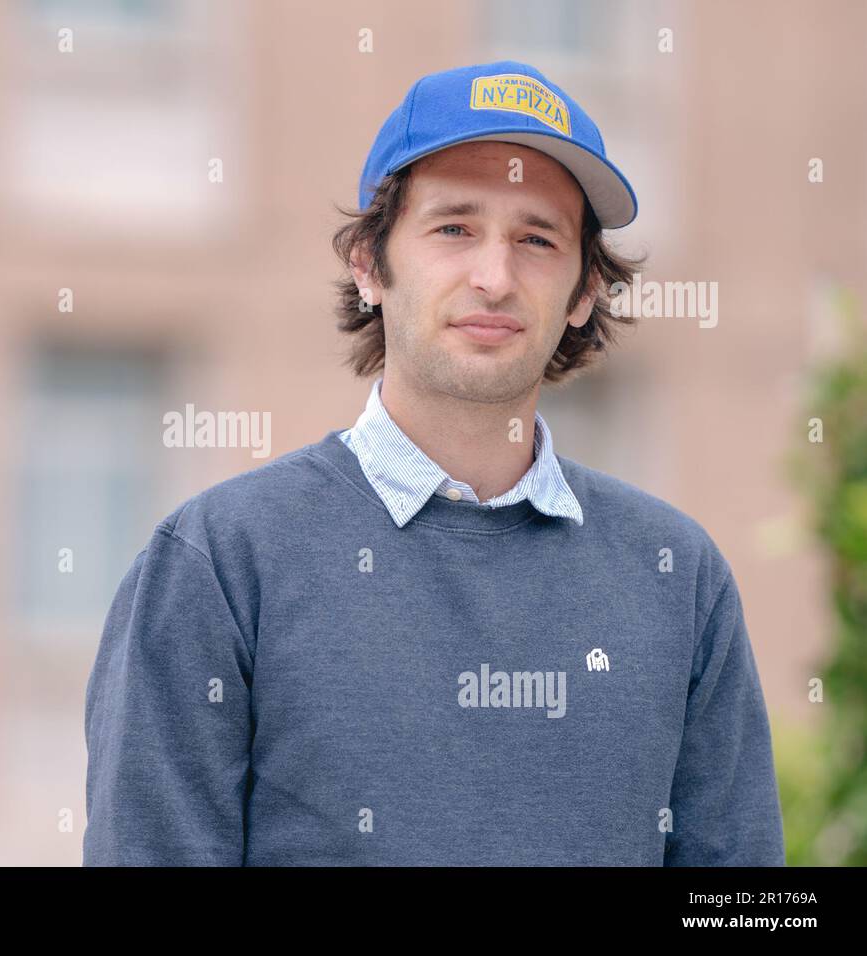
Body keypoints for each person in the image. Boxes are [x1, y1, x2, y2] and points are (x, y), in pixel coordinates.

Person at [82, 60, 785, 866]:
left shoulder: (677, 575)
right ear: (370, 266)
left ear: (584, 291)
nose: (494, 277)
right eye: (453, 228)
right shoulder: (218, 562)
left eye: (537, 239)